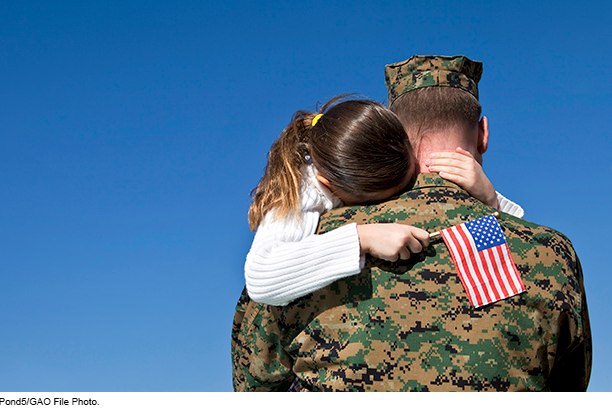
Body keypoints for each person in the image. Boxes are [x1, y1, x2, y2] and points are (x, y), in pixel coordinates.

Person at [232, 55, 591, 391]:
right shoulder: (549, 253)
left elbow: (255, 384)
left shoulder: (303, 251)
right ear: (482, 134)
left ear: (390, 135)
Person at [245, 95, 523, 306]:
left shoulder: (373, 150)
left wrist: (489, 197)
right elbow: (260, 279)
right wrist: (363, 237)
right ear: (330, 186)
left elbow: (523, 232)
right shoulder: (306, 188)